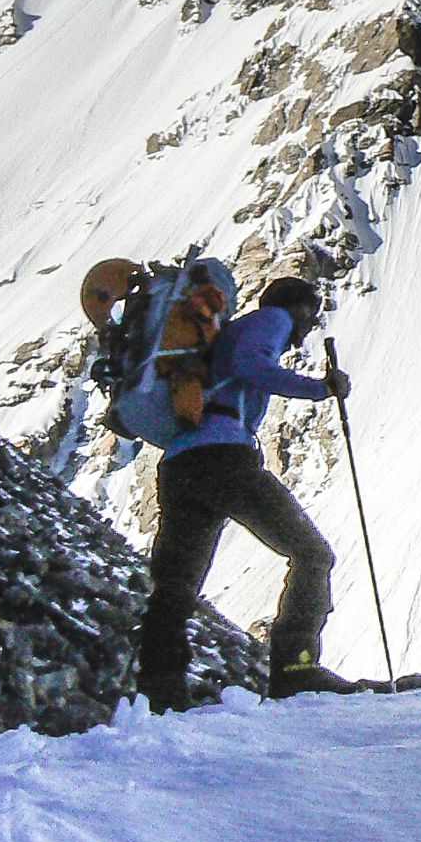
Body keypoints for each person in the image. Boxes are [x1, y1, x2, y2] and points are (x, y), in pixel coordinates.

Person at [134, 275, 357, 710]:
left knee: (176, 584)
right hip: (225, 458)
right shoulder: (271, 319)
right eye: (310, 313)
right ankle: (296, 668)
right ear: (296, 306)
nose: (308, 326)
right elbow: (252, 366)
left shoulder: (222, 337)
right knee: (312, 555)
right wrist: (321, 389)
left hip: (180, 463)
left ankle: (160, 688)